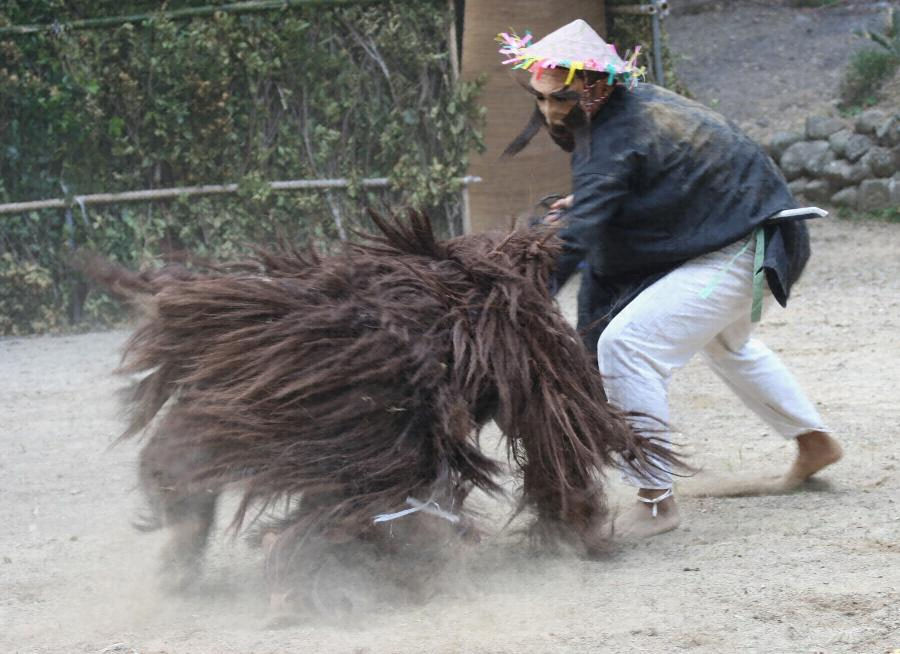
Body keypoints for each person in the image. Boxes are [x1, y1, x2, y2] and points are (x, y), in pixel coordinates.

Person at [498, 19, 843, 537]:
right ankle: (815, 444)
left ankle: (655, 500)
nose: (550, 111)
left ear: (596, 85)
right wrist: (588, 202)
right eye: (541, 98)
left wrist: (519, 302)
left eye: (561, 98)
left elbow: (581, 235)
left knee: (627, 345)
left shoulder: (615, 135)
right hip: (741, 233)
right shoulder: (631, 110)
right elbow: (655, 179)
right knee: (728, 345)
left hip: (744, 245)